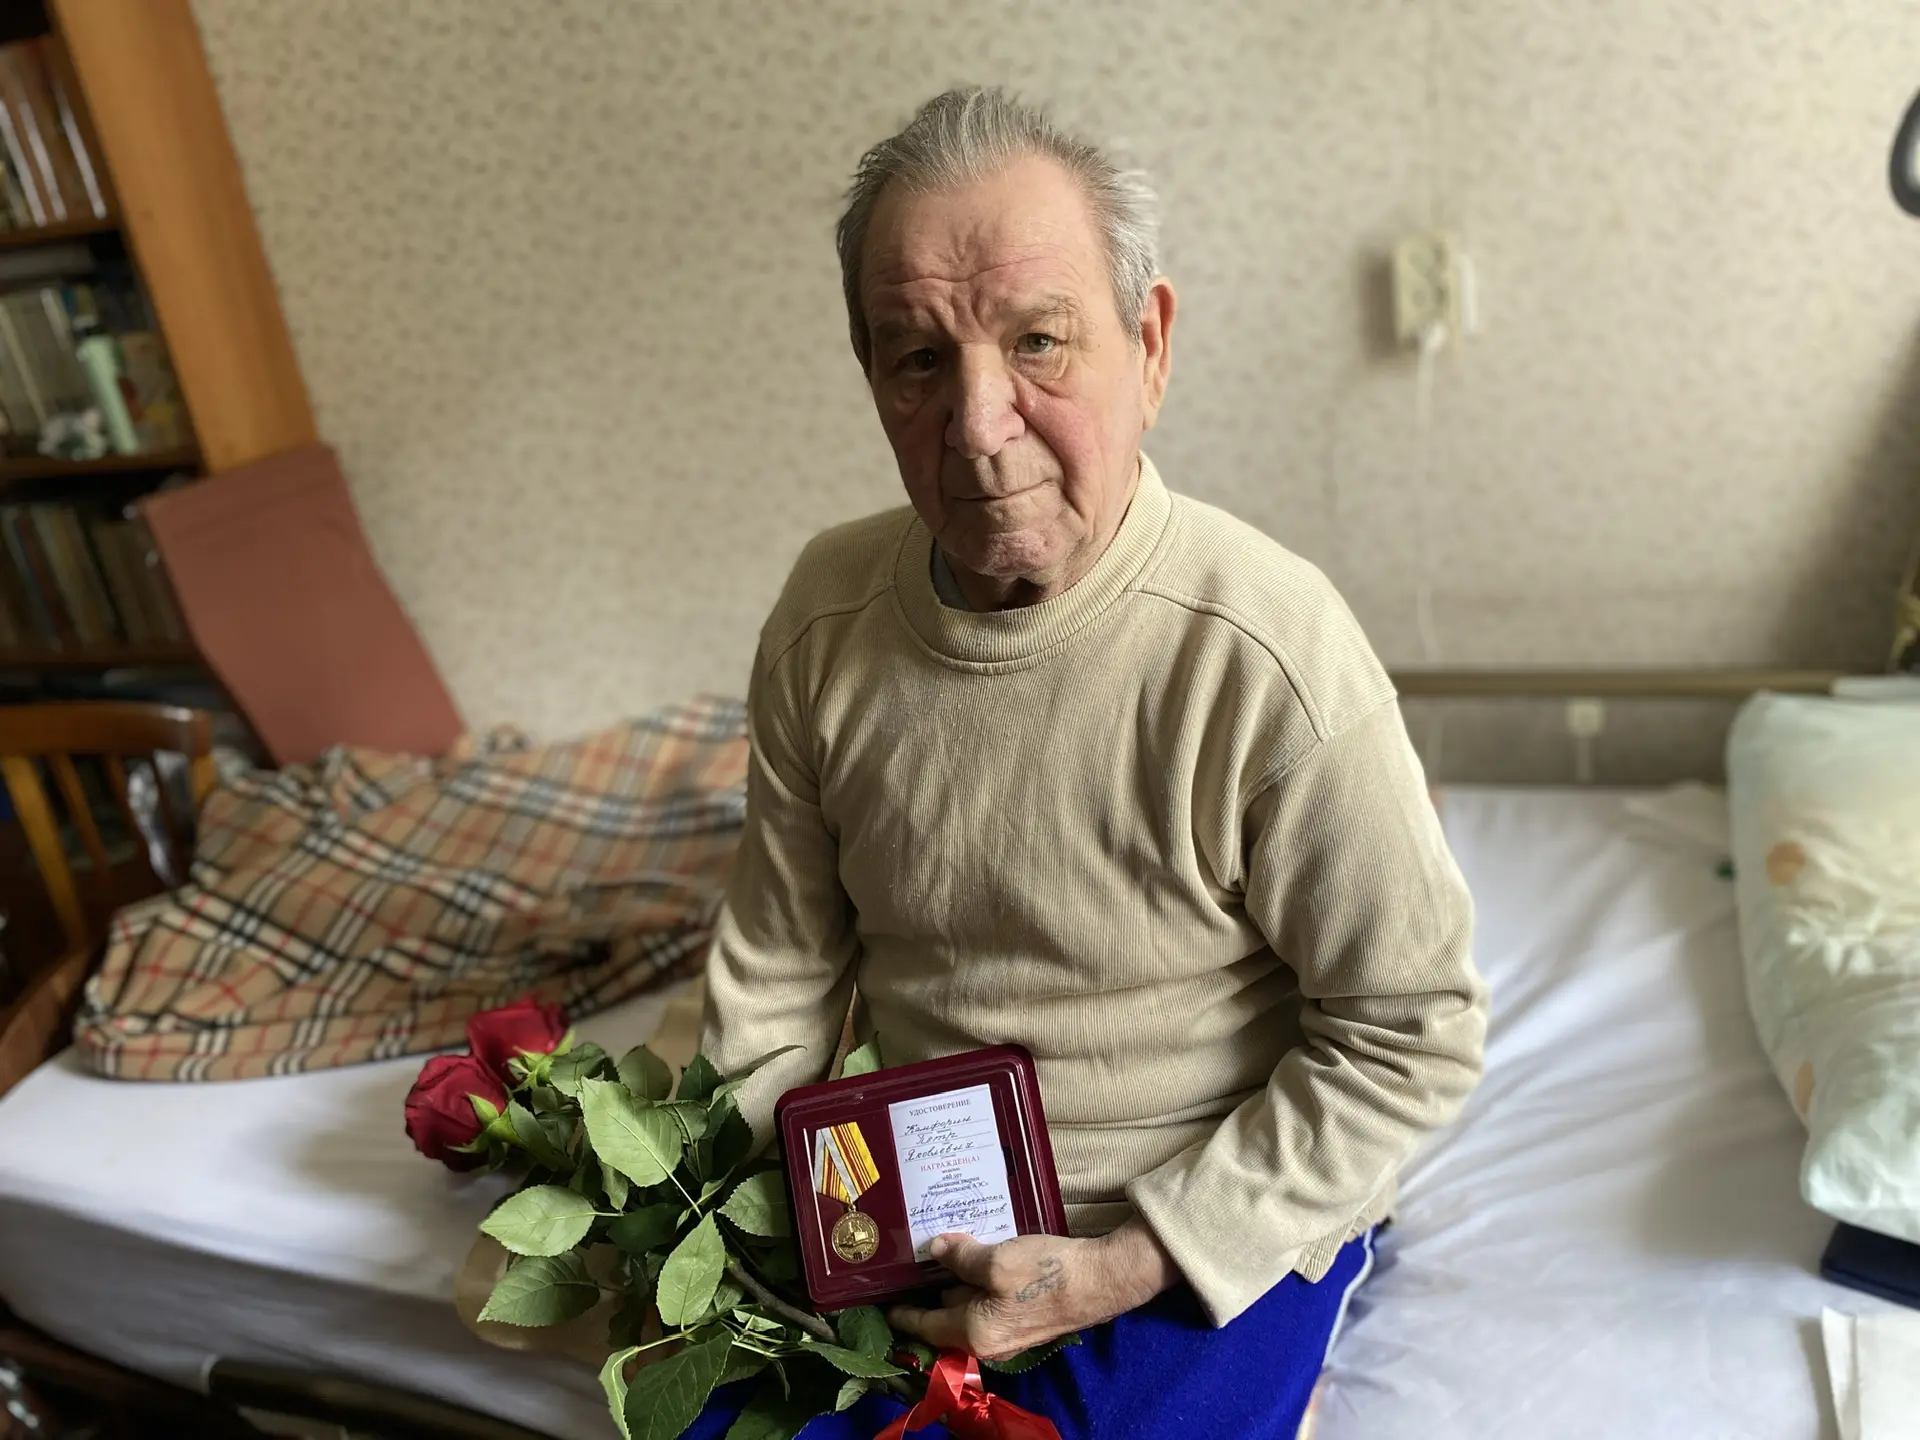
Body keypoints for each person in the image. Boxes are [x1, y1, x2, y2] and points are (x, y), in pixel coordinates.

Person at [698, 85, 1487, 1440]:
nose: (979, 423)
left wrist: (1123, 1264)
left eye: (1039, 342)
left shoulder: (1266, 649)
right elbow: (776, 975)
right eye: (919, 360)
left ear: (1150, 344)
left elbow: (1412, 1032)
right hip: (912, 1213)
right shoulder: (829, 615)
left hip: (1186, 1224)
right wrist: (789, 1226)